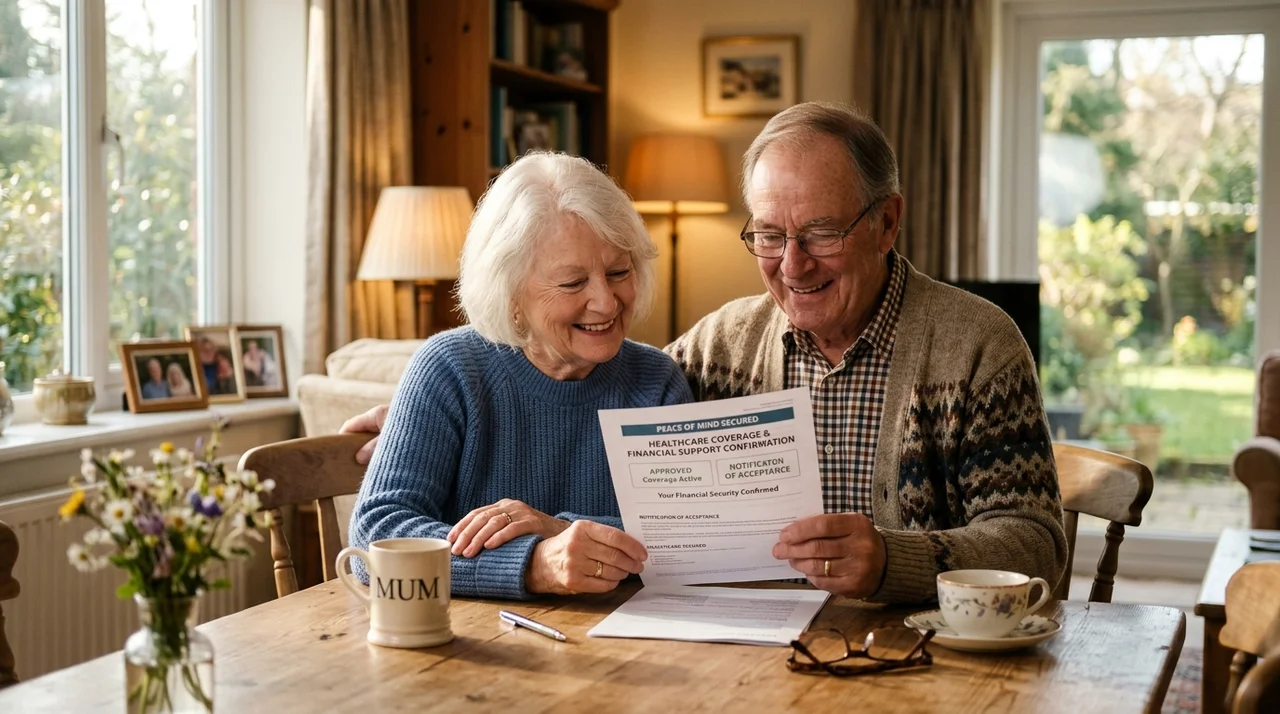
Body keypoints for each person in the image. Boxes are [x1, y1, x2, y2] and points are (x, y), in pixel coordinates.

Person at [343, 102, 1067, 605]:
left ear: (887, 222)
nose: (792, 265)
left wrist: (891, 560)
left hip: (915, 646)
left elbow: (1037, 545)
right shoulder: (717, 350)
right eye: (769, 235)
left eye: (820, 233)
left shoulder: (977, 346)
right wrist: (416, 412)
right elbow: (574, 383)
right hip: (732, 644)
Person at [347, 151, 692, 601]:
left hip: (629, 642)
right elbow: (377, 534)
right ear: (509, 293)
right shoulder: (449, 369)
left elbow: (689, 535)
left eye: (618, 272)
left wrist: (558, 528)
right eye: (572, 283)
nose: (606, 302)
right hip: (473, 647)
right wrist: (531, 563)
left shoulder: (657, 381)